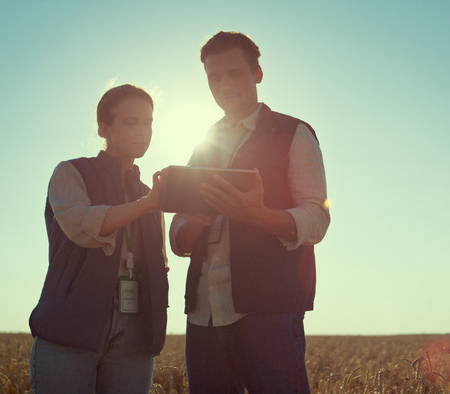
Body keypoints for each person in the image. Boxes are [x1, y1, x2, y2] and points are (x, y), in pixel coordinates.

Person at [170, 31, 330, 394]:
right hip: (203, 313)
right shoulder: (202, 144)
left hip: (269, 310)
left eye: (235, 73)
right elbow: (177, 233)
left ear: (257, 73)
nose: (224, 84)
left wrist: (257, 214)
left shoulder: (294, 132)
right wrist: (192, 222)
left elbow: (317, 219)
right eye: (215, 77)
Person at [29, 84, 169, 394]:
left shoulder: (150, 195)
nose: (143, 131)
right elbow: (83, 228)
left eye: (148, 122)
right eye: (131, 122)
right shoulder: (70, 173)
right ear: (104, 128)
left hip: (135, 333)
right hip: (70, 327)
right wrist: (146, 205)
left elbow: (160, 262)